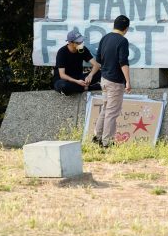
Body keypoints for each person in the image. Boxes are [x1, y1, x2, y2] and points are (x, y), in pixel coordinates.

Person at [93, 15, 132, 148]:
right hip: (115, 81)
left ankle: (97, 137)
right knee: (112, 112)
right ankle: (107, 142)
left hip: (104, 79)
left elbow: (98, 60)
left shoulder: (105, 38)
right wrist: (128, 81)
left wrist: (92, 74)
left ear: (114, 25)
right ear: (126, 29)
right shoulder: (122, 41)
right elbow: (123, 62)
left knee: (105, 109)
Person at [53, 30, 101, 95]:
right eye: (78, 42)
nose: (81, 43)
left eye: (81, 41)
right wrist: (77, 82)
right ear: (71, 43)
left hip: (79, 77)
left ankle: (78, 87)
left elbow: (96, 65)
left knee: (100, 73)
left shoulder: (82, 49)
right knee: (64, 86)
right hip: (64, 80)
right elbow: (62, 75)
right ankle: (88, 88)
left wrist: (90, 75)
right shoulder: (62, 52)